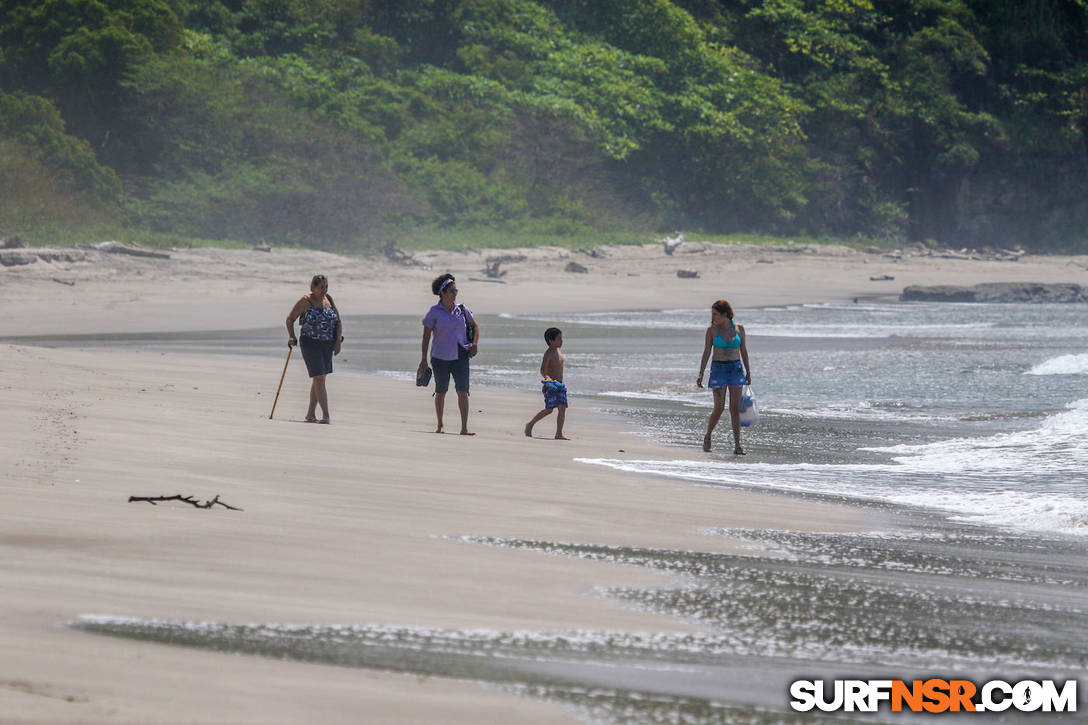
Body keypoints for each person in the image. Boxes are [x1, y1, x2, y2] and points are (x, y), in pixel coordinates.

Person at [418, 274, 479, 435]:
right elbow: (425, 337)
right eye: (452, 290)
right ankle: (440, 425)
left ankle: (464, 428)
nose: (455, 293)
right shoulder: (434, 312)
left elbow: (475, 326)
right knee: (441, 391)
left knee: (462, 391)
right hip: (440, 357)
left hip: (461, 355)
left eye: (456, 290)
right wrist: (423, 360)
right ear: (443, 293)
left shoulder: (462, 309)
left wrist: (474, 344)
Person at [696, 299, 751, 454]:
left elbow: (744, 352)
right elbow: (707, 352)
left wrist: (748, 371)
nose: (713, 317)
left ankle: (738, 445)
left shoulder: (739, 329)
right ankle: (707, 437)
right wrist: (701, 373)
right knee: (719, 408)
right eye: (712, 314)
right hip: (718, 370)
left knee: (734, 408)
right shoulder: (712, 331)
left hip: (736, 369)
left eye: (716, 314)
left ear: (725, 314)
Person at [286, 274, 342, 423]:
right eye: (321, 287)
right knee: (319, 379)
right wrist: (291, 336)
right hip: (310, 343)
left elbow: (338, 321)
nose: (324, 290)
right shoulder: (305, 301)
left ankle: (310, 414)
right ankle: (326, 415)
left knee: (320, 378)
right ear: (312, 287)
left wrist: (338, 341)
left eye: (326, 287)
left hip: (327, 344)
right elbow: (290, 319)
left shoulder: (328, 299)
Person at [524, 327, 569, 440]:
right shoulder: (548, 353)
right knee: (549, 409)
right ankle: (530, 424)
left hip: (560, 385)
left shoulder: (558, 352)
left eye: (561, 338)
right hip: (551, 386)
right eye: (559, 338)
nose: (561, 341)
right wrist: (547, 378)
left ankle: (559, 433)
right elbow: (543, 370)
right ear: (550, 340)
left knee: (562, 408)